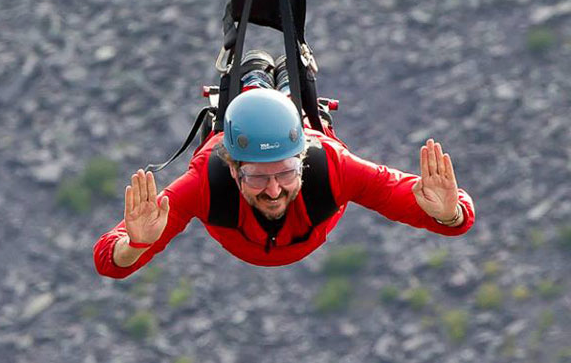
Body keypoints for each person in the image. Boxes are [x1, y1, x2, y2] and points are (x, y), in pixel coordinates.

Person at [94, 50, 475, 274]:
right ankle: (263, 83)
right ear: (233, 169)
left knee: (307, 122)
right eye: (258, 177)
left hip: (307, 143)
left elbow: (451, 217)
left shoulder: (332, 166)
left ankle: (276, 87)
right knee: (284, 114)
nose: (274, 190)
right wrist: (136, 244)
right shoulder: (207, 181)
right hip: (253, 170)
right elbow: (109, 260)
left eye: (286, 172)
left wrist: (449, 213)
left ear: (301, 160)